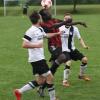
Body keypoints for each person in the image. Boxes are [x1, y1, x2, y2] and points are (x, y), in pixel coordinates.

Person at [36, 9, 88, 97]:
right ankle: (52, 67)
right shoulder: (43, 24)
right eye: (48, 12)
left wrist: (79, 22)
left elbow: (67, 24)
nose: (50, 13)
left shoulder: (54, 19)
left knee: (53, 69)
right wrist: (64, 22)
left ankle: (42, 86)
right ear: (44, 15)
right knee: (63, 59)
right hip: (53, 46)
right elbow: (53, 26)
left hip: (59, 47)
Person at [14, 11, 61, 100]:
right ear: (39, 19)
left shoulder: (40, 29)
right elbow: (24, 44)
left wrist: (57, 34)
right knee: (50, 77)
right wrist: (36, 45)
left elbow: (45, 35)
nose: (42, 18)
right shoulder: (30, 31)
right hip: (37, 59)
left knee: (40, 81)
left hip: (38, 58)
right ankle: (53, 98)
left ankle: (19, 91)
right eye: (41, 17)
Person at [58, 13, 91, 84]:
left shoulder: (75, 29)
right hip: (64, 50)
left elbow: (80, 38)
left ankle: (81, 75)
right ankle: (65, 81)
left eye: (68, 18)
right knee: (68, 62)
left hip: (72, 50)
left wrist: (84, 46)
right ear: (63, 20)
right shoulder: (60, 28)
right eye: (65, 18)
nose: (67, 20)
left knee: (85, 59)